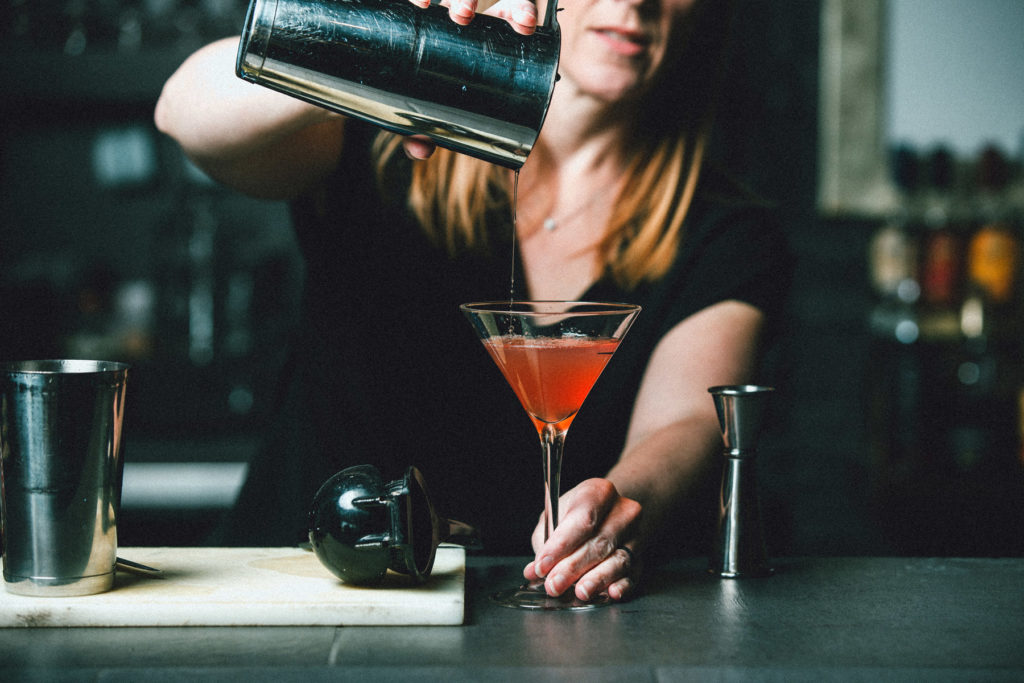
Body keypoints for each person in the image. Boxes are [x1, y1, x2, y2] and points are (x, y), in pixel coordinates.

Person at [155, 0, 792, 603]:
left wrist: (625, 501)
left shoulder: (725, 232)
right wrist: (402, 37)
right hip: (284, 596)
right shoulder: (377, 146)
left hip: (515, 633)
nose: (638, 2)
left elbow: (686, 422)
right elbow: (185, 113)